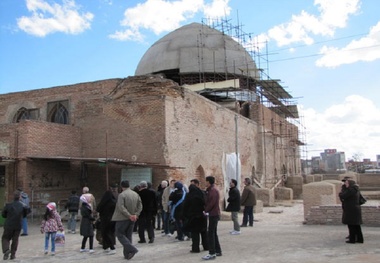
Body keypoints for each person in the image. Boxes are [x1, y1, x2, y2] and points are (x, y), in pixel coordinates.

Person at [111, 180, 142, 260]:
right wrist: (136, 214)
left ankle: (132, 249)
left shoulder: (122, 195)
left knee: (119, 234)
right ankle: (127, 254)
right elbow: (140, 206)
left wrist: (129, 215)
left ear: (121, 186)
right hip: (133, 218)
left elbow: (121, 207)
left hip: (123, 218)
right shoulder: (135, 194)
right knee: (128, 235)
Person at [1, 190, 29, 260]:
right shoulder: (23, 206)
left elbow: (3, 215)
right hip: (18, 225)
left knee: (5, 238)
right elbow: (26, 213)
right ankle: (13, 255)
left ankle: (6, 251)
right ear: (20, 197)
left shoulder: (8, 205)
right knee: (15, 240)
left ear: (13, 197)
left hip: (8, 225)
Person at [183, 182, 209, 253]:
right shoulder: (201, 194)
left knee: (195, 234)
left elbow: (185, 206)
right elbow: (205, 203)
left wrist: (185, 215)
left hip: (193, 217)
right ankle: (206, 246)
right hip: (202, 215)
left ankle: (195, 248)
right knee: (204, 232)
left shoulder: (189, 196)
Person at [202, 176, 222, 260]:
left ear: (208, 182)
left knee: (210, 233)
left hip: (213, 214)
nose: (205, 183)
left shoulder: (213, 191)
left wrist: (206, 210)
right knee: (213, 233)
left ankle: (212, 253)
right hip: (213, 213)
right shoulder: (211, 190)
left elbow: (212, 203)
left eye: (206, 181)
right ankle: (217, 251)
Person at [338, 179, 364, 244]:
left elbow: (343, 196)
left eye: (346, 183)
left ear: (350, 184)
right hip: (354, 209)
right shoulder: (355, 189)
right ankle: (359, 239)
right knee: (356, 225)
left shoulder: (351, 190)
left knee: (351, 225)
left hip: (351, 210)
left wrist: (341, 191)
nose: (345, 184)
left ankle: (352, 240)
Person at [96, 183, 119, 254]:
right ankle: (106, 247)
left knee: (106, 233)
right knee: (110, 233)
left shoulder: (105, 203)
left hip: (106, 219)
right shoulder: (114, 201)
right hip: (113, 218)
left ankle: (111, 247)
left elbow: (99, 208)